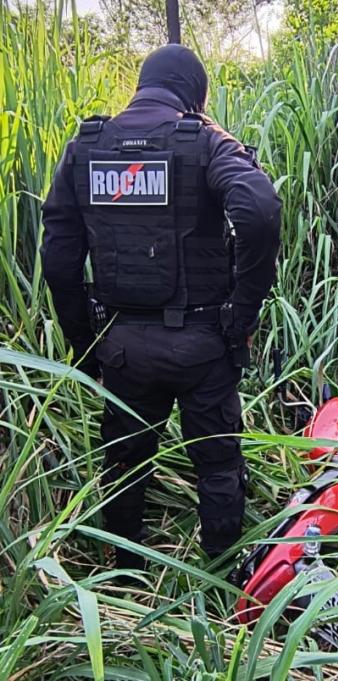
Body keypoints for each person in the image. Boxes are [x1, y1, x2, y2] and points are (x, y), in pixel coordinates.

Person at [41, 44, 281, 572]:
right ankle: (220, 577)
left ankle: (124, 575)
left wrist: (88, 346)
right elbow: (259, 212)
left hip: (123, 347)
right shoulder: (209, 143)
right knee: (217, 465)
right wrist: (240, 317)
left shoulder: (85, 149)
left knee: (124, 461)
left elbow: (58, 260)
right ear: (194, 93)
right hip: (202, 346)